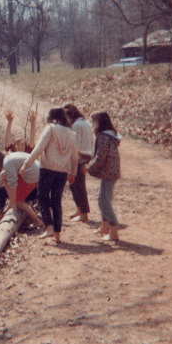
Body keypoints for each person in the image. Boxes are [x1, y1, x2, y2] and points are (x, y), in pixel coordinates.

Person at [20, 107, 78, 243]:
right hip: (63, 172)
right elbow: (74, 158)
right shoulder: (71, 133)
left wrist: (25, 165)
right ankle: (57, 235)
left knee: (42, 198)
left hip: (47, 170)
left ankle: (49, 227)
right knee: (56, 201)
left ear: (51, 117)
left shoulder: (50, 128)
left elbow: (38, 148)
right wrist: (73, 173)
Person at [0, 149, 43, 227]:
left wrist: (13, 203)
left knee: (18, 201)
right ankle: (1, 213)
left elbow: (13, 184)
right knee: (3, 178)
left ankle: (38, 221)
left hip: (36, 179)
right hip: (36, 176)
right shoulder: (8, 156)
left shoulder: (7, 162)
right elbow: (10, 180)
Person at [87, 112, 122, 242]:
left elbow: (100, 158)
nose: (92, 125)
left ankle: (114, 232)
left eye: (93, 122)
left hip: (109, 172)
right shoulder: (110, 135)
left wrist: (88, 168)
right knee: (103, 198)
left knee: (103, 201)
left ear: (99, 123)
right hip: (112, 171)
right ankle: (104, 227)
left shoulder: (102, 137)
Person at [63, 103, 94, 222]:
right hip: (85, 158)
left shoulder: (76, 125)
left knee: (78, 187)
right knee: (74, 186)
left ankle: (84, 214)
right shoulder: (87, 123)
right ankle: (79, 210)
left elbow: (74, 145)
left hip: (77, 159)